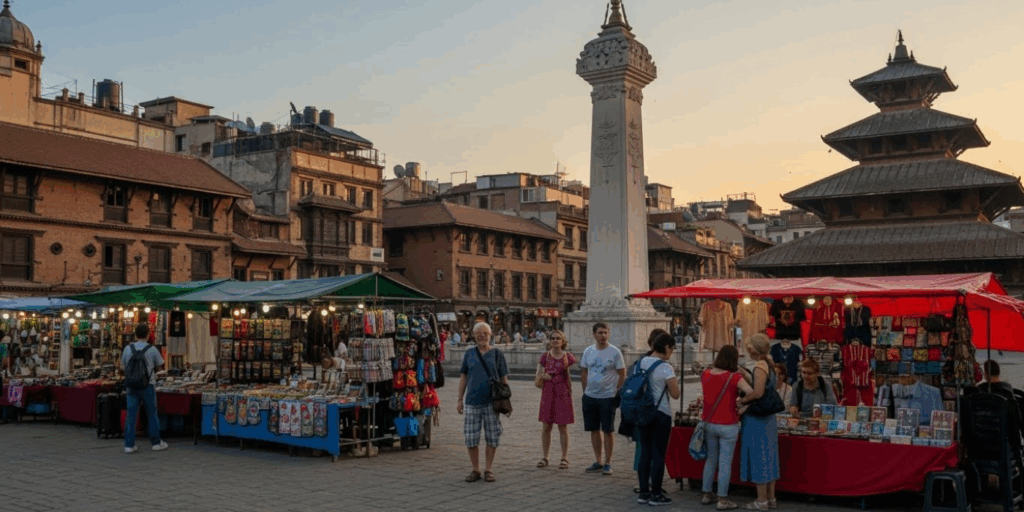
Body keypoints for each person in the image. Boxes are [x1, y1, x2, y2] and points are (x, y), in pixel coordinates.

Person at [700, 345, 754, 510]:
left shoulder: (705, 374)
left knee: (711, 459)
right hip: (728, 424)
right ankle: (722, 500)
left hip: (708, 423)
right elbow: (751, 391)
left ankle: (706, 494)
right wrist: (742, 405)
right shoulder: (734, 377)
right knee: (725, 463)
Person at [457, 321, 509, 483]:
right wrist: (460, 399)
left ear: (490, 335)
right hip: (472, 401)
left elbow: (503, 379)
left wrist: (505, 401)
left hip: (491, 403)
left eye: (485, 333)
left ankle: (488, 469)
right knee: (471, 437)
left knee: (492, 436)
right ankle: (475, 469)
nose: (482, 336)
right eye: (479, 333)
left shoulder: (497, 354)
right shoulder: (469, 354)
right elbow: (464, 376)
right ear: (473, 336)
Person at [635, 333, 682, 506]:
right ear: (667, 347)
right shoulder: (665, 367)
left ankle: (643, 493)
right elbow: (675, 394)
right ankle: (656, 494)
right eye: (672, 349)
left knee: (645, 453)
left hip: (641, 412)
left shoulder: (641, 362)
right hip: (660, 414)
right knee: (658, 455)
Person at [737, 334, 781, 510]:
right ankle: (771, 498)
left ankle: (761, 500)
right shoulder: (770, 363)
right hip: (769, 419)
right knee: (769, 457)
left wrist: (742, 402)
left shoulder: (759, 366)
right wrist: (746, 375)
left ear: (753, 349)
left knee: (759, 457)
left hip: (758, 419)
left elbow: (758, 393)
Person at [579, 322, 626, 475]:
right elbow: (584, 372)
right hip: (591, 396)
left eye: (605, 332)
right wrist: (585, 391)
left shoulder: (615, 352)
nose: (603, 336)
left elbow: (622, 373)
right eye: (600, 333)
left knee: (607, 430)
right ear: (594, 334)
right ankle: (598, 460)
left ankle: (608, 462)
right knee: (593, 429)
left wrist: (616, 390)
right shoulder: (588, 351)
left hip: (608, 396)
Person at [120, 323, 168, 453]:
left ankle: (129, 445)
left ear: (135, 335)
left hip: (131, 386)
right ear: (148, 335)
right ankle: (156, 442)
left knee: (131, 415)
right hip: (148, 385)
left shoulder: (127, 349)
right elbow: (160, 365)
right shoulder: (152, 349)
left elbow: (122, 367)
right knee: (151, 413)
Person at [536, 329, 577, 470]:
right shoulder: (545, 356)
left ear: (562, 341)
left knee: (562, 426)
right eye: (553, 338)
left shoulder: (568, 357)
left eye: (558, 338)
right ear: (550, 340)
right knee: (546, 426)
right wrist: (543, 375)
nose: (555, 340)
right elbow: (538, 372)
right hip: (548, 392)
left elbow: (569, 374)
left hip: (563, 392)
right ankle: (545, 456)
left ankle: (564, 457)